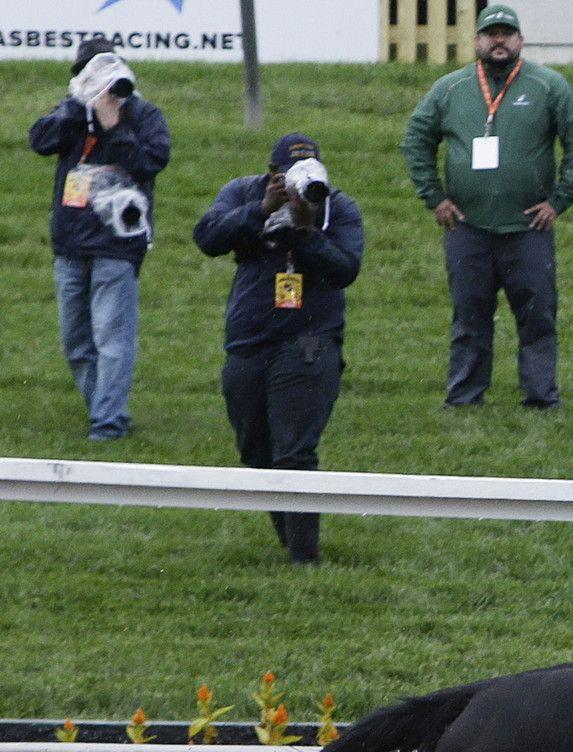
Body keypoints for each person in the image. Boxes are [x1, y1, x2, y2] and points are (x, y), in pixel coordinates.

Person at [402, 4, 573, 410]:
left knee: (538, 317)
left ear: (520, 41)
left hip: (529, 228)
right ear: (477, 42)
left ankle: (541, 397)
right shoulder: (450, 88)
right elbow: (416, 139)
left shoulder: (548, 86)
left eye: (507, 33)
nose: (499, 40)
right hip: (467, 228)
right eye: (491, 34)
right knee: (469, 317)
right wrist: (434, 197)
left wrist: (559, 201)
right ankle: (464, 396)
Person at [193, 135, 364, 566]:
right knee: (256, 451)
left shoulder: (336, 207)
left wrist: (306, 231)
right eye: (285, 177)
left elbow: (346, 269)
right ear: (270, 173)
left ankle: (304, 558)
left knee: (294, 451)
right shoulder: (242, 193)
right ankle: (290, 537)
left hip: (311, 341)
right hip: (249, 340)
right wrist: (262, 210)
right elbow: (207, 237)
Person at [29, 41, 171, 445]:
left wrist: (115, 126)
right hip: (71, 242)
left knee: (111, 337)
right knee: (75, 341)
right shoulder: (72, 110)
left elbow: (149, 163)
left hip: (118, 241)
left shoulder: (144, 115)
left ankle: (106, 423)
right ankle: (107, 412)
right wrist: (80, 105)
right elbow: (39, 140)